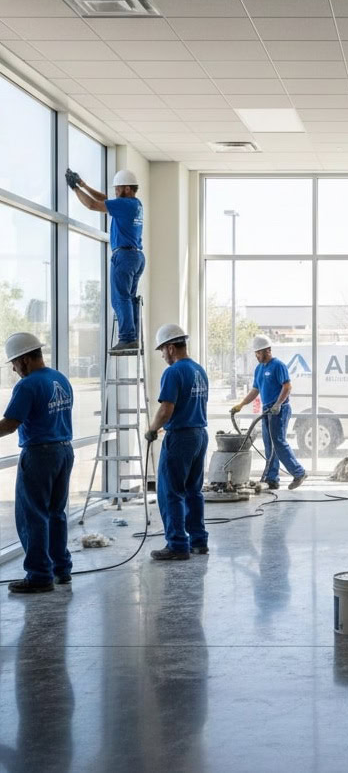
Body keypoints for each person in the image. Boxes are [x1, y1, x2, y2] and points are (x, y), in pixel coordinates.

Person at [0, 333, 74, 593]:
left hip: (40, 455)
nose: (13, 368)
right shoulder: (60, 379)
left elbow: (10, 424)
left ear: (24, 360)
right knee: (55, 513)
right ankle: (61, 569)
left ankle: (39, 575)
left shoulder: (28, 385)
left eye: (14, 363)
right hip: (64, 451)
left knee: (33, 515)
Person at [145, 324, 209, 561]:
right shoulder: (199, 370)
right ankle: (199, 541)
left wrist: (152, 429)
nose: (162, 355)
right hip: (200, 434)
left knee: (170, 491)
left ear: (171, 347)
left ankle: (177, 544)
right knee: (193, 490)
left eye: (162, 350)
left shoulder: (173, 372)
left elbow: (166, 408)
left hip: (181, 437)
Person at [68, 168, 144, 354]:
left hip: (124, 257)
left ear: (126, 188)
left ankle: (127, 338)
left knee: (120, 298)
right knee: (129, 298)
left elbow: (93, 205)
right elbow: (104, 198)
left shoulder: (126, 205)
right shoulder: (135, 204)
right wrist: (82, 184)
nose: (115, 192)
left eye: (117, 189)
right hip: (136, 256)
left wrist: (74, 189)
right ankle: (132, 337)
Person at [231, 335, 306, 490]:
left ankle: (299, 472)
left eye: (259, 353)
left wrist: (278, 404)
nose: (257, 356)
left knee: (278, 442)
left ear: (268, 350)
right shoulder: (259, 369)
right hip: (267, 409)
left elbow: (287, 387)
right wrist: (241, 404)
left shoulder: (278, 365)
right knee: (268, 444)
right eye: (256, 353)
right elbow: (255, 390)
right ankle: (272, 478)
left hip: (280, 409)